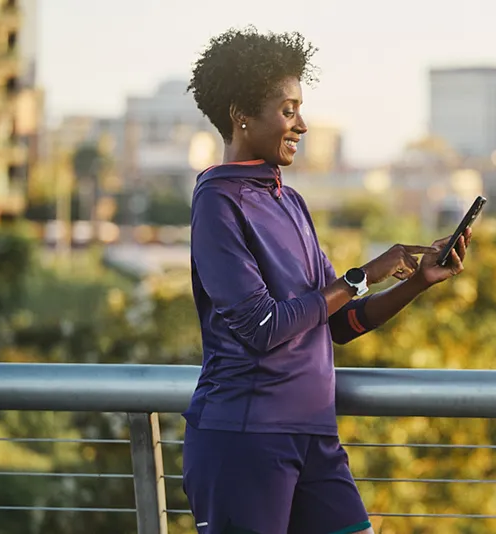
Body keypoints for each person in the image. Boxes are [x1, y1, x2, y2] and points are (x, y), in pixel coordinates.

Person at [182, 26, 471, 534]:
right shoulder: (217, 202)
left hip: (315, 436)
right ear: (240, 116)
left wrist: (415, 282)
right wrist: (362, 275)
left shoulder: (288, 201)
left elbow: (337, 322)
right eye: (289, 110)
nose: (303, 125)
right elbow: (263, 325)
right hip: (246, 438)